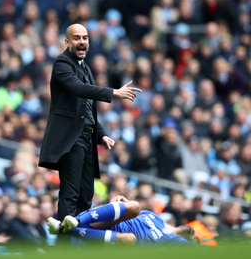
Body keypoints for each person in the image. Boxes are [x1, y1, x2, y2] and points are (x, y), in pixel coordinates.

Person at [38, 23, 142, 221]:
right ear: (67, 42)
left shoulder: (84, 67)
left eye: (85, 38)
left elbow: (87, 108)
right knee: (70, 193)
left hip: (86, 139)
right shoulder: (62, 63)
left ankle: (79, 239)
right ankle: (65, 245)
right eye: (77, 38)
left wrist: (101, 133)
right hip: (71, 139)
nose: (82, 42)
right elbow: (78, 89)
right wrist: (113, 92)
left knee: (86, 195)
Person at [48, 196, 197, 246]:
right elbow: (124, 210)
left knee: (129, 239)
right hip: (98, 221)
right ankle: (76, 222)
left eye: (195, 238)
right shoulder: (155, 217)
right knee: (134, 206)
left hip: (101, 241)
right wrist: (118, 202)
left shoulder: (171, 242)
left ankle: (64, 228)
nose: (194, 233)